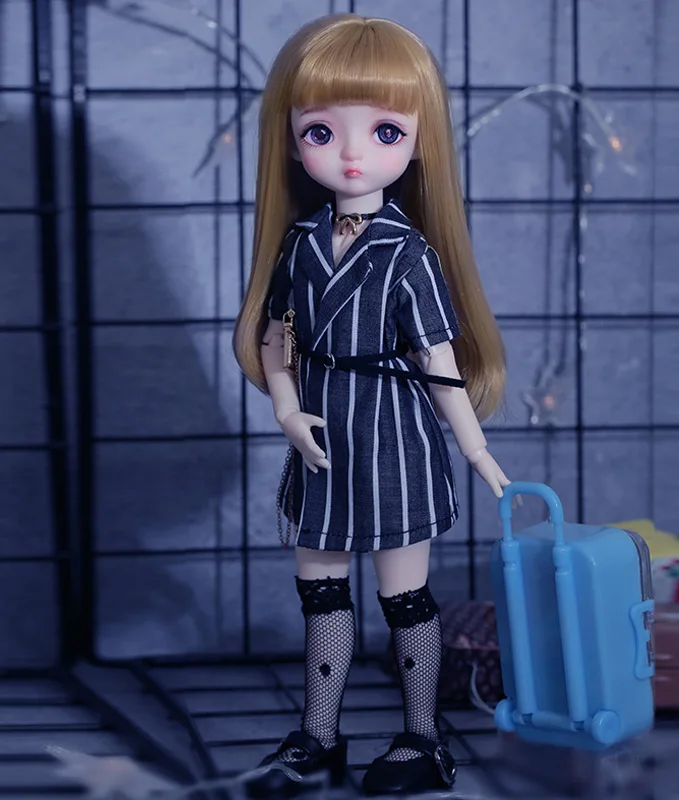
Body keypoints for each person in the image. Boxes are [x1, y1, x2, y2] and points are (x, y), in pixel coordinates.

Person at [233, 13, 509, 796]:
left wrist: (475, 447)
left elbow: (438, 361)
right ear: (291, 142)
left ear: (418, 141)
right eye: (321, 132)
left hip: (394, 442)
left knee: (402, 595)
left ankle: (423, 738)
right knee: (321, 590)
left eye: (386, 131)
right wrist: (287, 409)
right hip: (321, 439)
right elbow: (277, 338)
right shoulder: (300, 245)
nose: (352, 154)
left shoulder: (408, 254)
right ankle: (319, 736)